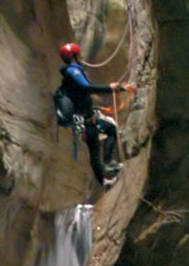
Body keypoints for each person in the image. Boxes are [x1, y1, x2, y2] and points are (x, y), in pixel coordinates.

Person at [52, 43, 134, 186]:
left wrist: (116, 88)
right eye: (79, 54)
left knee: (110, 130)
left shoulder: (75, 71)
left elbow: (89, 84)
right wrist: (110, 88)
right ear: (75, 56)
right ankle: (104, 178)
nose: (82, 56)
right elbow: (86, 87)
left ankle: (107, 165)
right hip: (84, 119)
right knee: (94, 149)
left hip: (88, 117)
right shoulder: (73, 71)